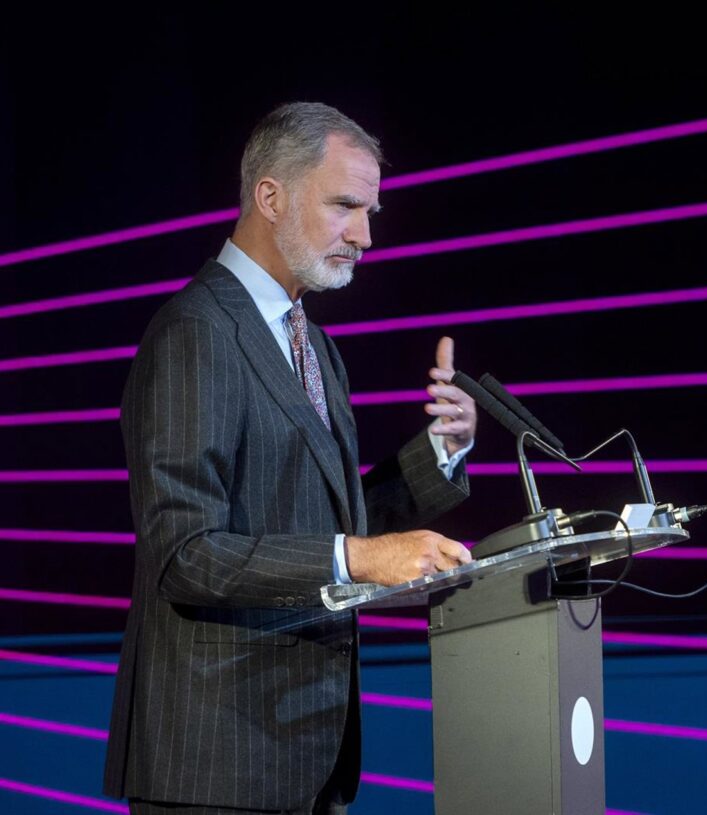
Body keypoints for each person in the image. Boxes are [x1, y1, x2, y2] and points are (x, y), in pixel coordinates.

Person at [102, 102, 476, 814]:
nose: (365, 235)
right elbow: (184, 551)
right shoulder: (194, 332)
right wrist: (358, 559)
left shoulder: (313, 342)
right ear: (269, 196)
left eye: (371, 211)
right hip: (217, 762)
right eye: (344, 206)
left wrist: (441, 451)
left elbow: (335, 520)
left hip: (304, 754)